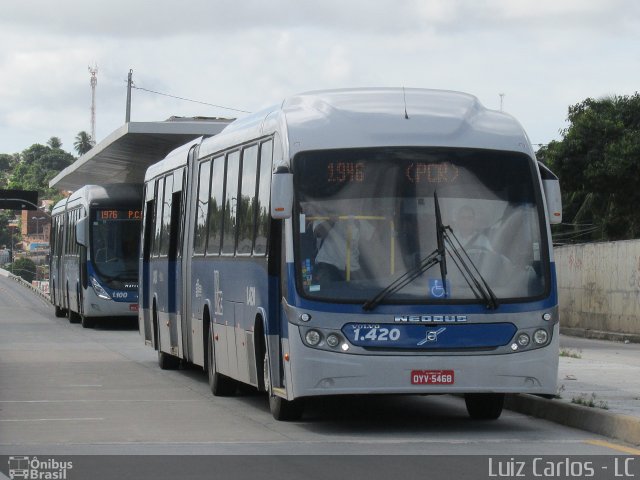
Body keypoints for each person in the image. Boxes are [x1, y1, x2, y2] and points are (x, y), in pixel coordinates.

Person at [313, 216, 374, 284]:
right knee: (326, 292)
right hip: (328, 264)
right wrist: (331, 221)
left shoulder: (357, 219)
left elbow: (373, 240)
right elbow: (318, 233)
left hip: (352, 268)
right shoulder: (324, 216)